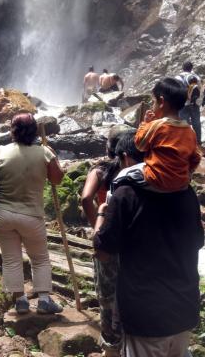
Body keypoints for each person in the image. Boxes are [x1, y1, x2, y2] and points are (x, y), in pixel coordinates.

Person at [94, 141, 204, 357]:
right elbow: (198, 241)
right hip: (183, 305)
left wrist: (100, 215)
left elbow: (103, 251)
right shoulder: (186, 191)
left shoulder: (125, 194)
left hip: (144, 313)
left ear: (127, 158)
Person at [0, 112, 63, 315]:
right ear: (35, 131)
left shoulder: (0, 152)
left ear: (13, 131)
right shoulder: (44, 152)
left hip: (2, 214)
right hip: (31, 216)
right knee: (40, 258)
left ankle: (21, 302)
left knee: (11, 259)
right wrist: (54, 156)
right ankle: (44, 300)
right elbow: (57, 179)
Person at [81, 130, 138, 357]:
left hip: (106, 238)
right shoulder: (136, 171)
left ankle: (111, 346)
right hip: (132, 240)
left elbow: (86, 198)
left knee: (107, 294)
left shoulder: (100, 170)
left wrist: (99, 224)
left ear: (109, 148)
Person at [134, 77, 201, 191]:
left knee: (123, 176)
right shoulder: (190, 131)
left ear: (161, 102)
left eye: (154, 102)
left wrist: (145, 123)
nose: (152, 105)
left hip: (155, 181)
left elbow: (139, 145)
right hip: (181, 185)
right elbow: (196, 158)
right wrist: (187, 173)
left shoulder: (156, 125)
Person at [178, 61, 202, 144]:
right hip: (194, 104)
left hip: (183, 104)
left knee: (184, 124)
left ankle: (187, 142)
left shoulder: (178, 77)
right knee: (196, 123)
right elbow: (200, 90)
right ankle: (198, 142)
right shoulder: (196, 77)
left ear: (182, 68)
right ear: (191, 68)